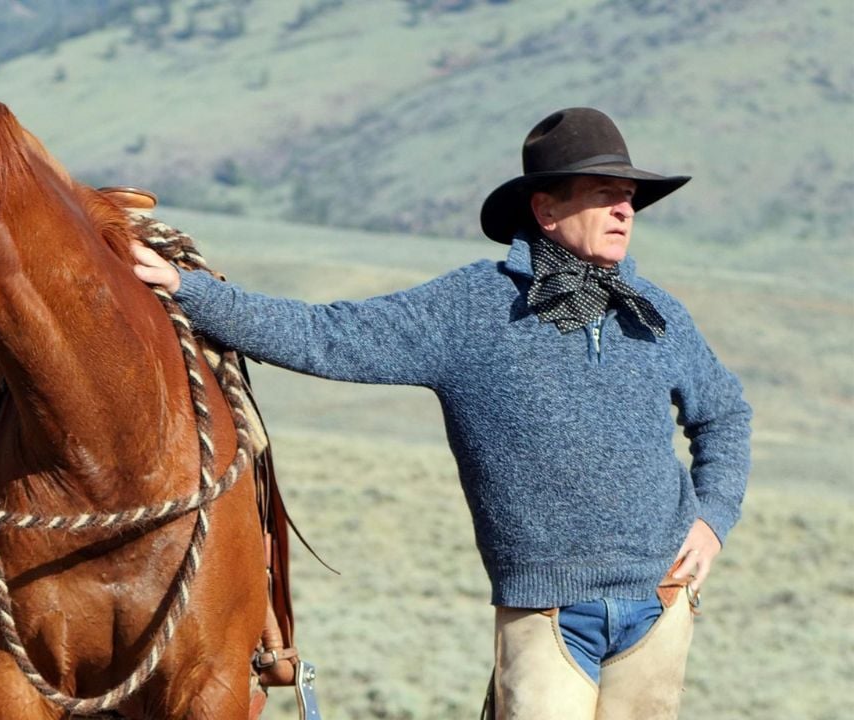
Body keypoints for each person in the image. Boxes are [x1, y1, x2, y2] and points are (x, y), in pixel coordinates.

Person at [131, 107, 751, 719]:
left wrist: (713, 518)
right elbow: (329, 335)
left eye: (629, 198)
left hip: (661, 603)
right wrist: (191, 291)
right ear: (547, 210)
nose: (625, 210)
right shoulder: (470, 309)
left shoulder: (654, 312)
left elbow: (724, 414)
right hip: (547, 615)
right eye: (603, 194)